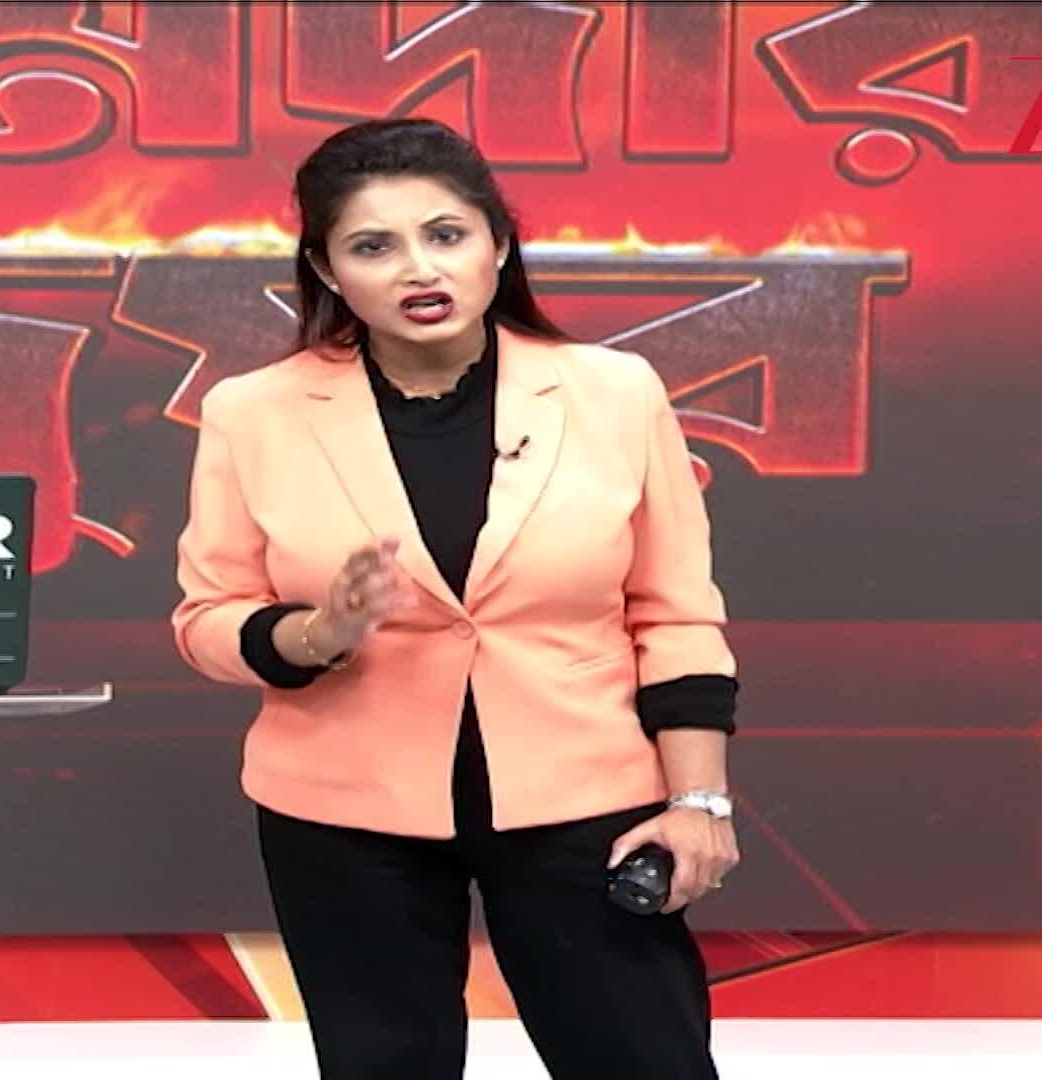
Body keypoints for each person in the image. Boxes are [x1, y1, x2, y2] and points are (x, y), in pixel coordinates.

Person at [171, 117, 740, 1079]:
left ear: (499, 245)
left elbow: (675, 614)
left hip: (587, 802)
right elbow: (207, 618)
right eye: (373, 246)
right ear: (326, 269)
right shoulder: (251, 411)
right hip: (344, 814)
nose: (418, 269)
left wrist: (698, 801)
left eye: (445, 234)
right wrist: (318, 631)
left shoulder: (615, 393)